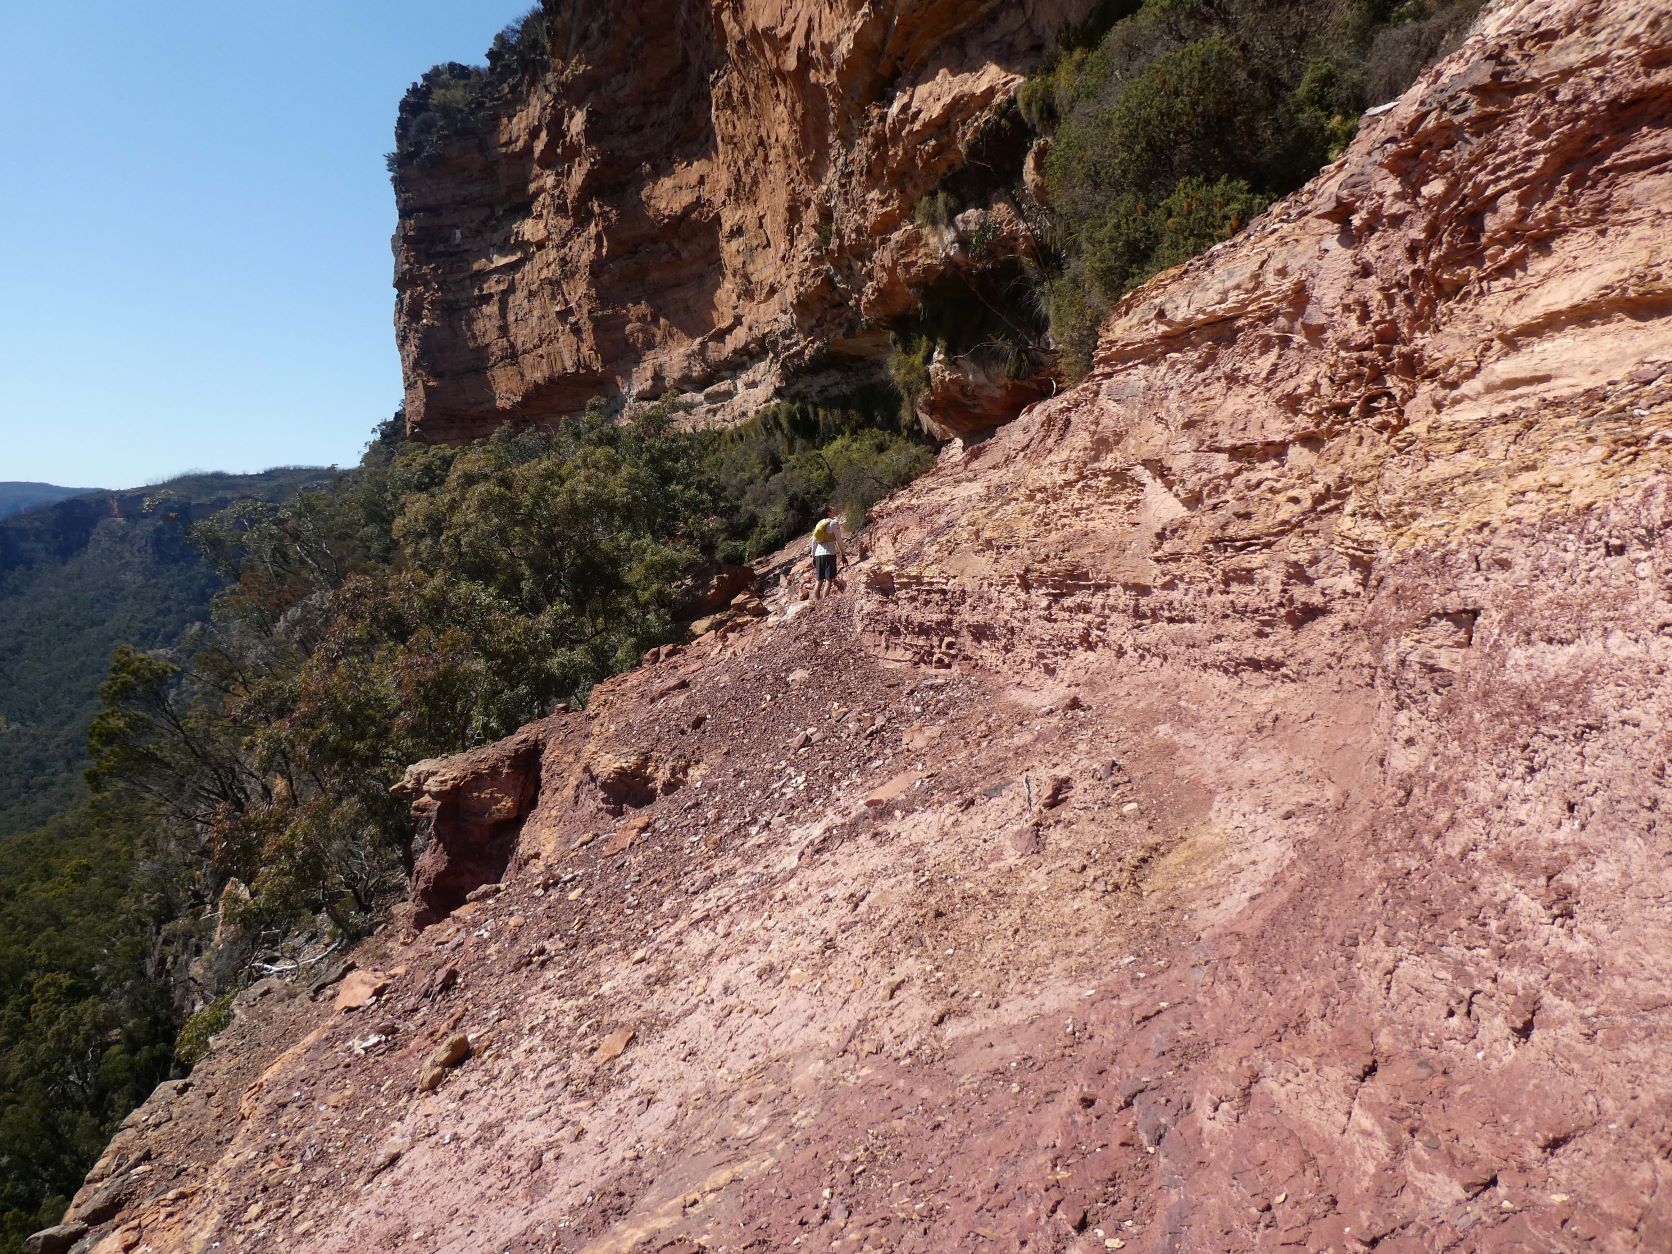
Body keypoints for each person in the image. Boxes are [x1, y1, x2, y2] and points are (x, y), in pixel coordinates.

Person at [811, 504, 847, 600]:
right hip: (829, 553)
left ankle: (817, 602)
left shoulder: (819, 524)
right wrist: (843, 554)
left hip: (818, 554)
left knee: (819, 580)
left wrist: (813, 556)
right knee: (828, 580)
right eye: (831, 508)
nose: (833, 508)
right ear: (828, 512)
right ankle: (824, 603)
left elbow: (814, 541)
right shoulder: (833, 523)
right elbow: (839, 540)